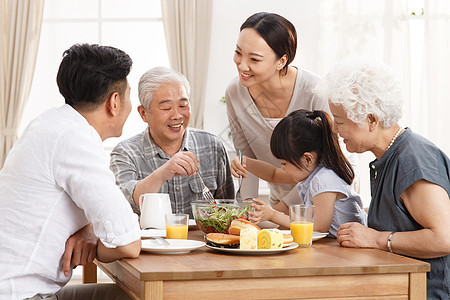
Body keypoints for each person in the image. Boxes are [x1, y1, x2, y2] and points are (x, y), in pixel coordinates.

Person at [0, 44, 141, 300]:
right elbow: (128, 243)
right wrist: (101, 239)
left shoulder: (49, 123)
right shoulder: (76, 139)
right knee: (140, 296)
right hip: (21, 294)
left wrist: (90, 230)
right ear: (115, 102)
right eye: (129, 95)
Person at [315, 61, 450, 299]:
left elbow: (443, 238)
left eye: (340, 120)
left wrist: (376, 238)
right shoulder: (390, 155)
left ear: (371, 120)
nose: (335, 129)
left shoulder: (413, 158)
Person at [225, 12, 358, 208]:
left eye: (254, 59)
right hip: (280, 196)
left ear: (282, 61)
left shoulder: (315, 91)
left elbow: (327, 163)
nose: (242, 65)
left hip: (327, 198)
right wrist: (246, 211)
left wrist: (279, 212)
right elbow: (247, 158)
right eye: (238, 53)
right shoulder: (235, 93)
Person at [110, 66, 234, 218]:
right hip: (148, 242)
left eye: (183, 105)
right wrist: (163, 173)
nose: (177, 115)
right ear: (144, 114)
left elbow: (227, 209)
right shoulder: (125, 153)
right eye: (166, 108)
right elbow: (122, 205)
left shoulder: (212, 146)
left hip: (203, 242)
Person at [231, 109, 366, 237]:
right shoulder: (312, 174)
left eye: (284, 163)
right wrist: (245, 162)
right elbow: (273, 174)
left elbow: (318, 228)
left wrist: (272, 215)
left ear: (307, 159)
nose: (283, 168)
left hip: (350, 250)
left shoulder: (324, 180)